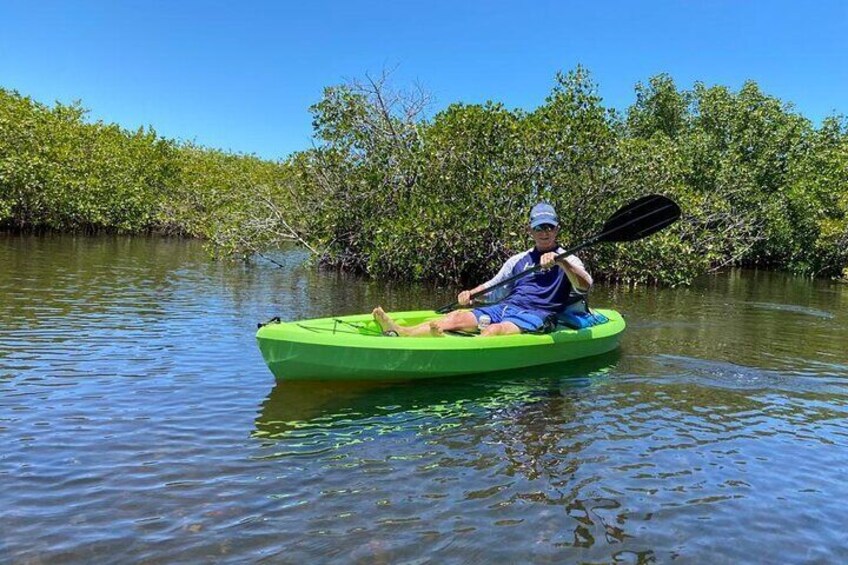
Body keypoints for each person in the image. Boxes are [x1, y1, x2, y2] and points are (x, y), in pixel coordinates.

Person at [373, 202, 593, 337]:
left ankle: (455, 352)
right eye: (539, 228)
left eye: (549, 227)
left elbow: (585, 285)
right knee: (456, 317)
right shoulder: (518, 260)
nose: (544, 232)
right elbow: (494, 287)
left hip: (538, 315)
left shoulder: (569, 258)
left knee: (494, 331)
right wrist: (471, 295)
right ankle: (402, 332)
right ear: (530, 230)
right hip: (506, 307)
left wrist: (561, 262)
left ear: (557, 229)